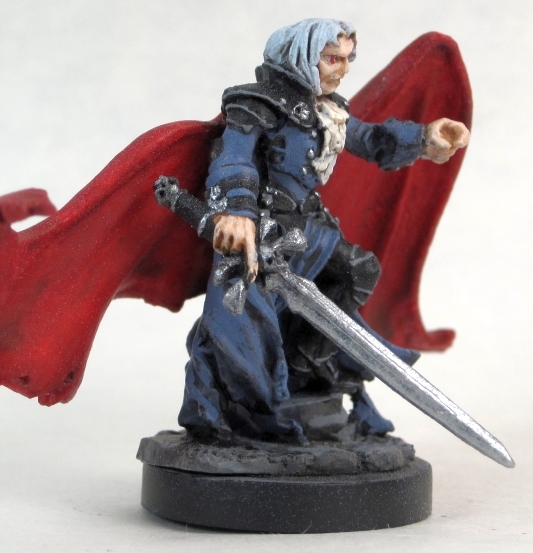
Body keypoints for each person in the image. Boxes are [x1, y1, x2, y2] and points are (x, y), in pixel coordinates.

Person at [178, 18, 470, 443]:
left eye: (348, 59)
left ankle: (308, 363)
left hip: (309, 230)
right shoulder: (255, 105)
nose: (343, 70)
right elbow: (233, 157)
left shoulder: (329, 111)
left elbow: (371, 140)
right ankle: (253, 403)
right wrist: (236, 211)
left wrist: (425, 137)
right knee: (243, 334)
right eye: (332, 58)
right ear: (300, 56)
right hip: (261, 239)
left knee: (357, 271)